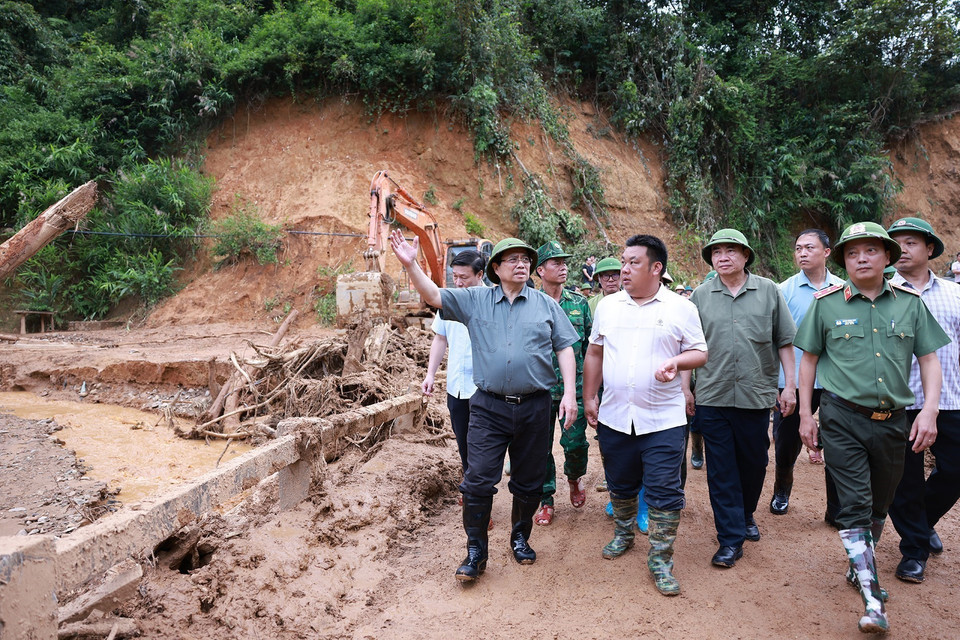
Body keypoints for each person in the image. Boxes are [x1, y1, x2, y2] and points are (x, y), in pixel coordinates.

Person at [389, 230, 579, 583]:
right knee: (477, 481)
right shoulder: (475, 299)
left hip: (535, 407)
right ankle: (475, 551)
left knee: (529, 482)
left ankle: (520, 537)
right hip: (489, 407)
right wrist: (412, 264)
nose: (522, 264)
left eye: (526, 260)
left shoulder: (545, 305)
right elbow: (433, 295)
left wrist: (569, 393)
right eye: (513, 259)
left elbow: (564, 347)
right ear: (496, 268)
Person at [796, 221, 947, 633]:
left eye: (870, 251)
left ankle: (859, 562)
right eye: (852, 253)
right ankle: (871, 598)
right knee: (856, 504)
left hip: (893, 421)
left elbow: (929, 359)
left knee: (881, 503)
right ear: (843, 261)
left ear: (887, 257)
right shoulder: (826, 304)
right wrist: (807, 414)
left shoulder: (910, 304)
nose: (861, 259)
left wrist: (930, 410)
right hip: (842, 417)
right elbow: (808, 360)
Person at [583, 234, 707, 596]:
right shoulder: (608, 307)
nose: (623, 269)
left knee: (664, 490)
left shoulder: (681, 308)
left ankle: (661, 559)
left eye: (633, 262)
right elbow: (595, 353)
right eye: (623, 261)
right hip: (615, 416)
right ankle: (623, 534)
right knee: (620, 483)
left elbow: (699, 352)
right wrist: (589, 396)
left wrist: (676, 362)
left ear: (656, 268)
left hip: (663, 419)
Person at [688, 229, 796, 568]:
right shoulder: (700, 296)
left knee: (754, 463)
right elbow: (688, 345)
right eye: (716, 252)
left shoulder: (768, 291)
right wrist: (685, 389)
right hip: (712, 395)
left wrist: (789, 386)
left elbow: (785, 341)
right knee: (721, 469)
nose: (723, 257)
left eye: (731, 250)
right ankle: (730, 539)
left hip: (755, 394)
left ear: (746, 255)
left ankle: (746, 513)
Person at [885, 218, 960, 584]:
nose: (903, 249)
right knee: (904, 481)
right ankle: (914, 550)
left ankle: (922, 521)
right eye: (896, 243)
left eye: (911, 242)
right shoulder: (881, 293)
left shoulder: (954, 294)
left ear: (930, 249)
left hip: (951, 399)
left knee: (955, 471)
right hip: (899, 400)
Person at [768, 230, 844, 517]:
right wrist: (779, 383)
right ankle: (781, 490)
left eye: (809, 247)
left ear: (826, 252)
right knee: (786, 442)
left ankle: (835, 508)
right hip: (794, 380)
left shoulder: (844, 288)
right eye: (798, 248)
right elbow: (776, 338)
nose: (802, 253)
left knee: (837, 443)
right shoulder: (783, 290)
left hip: (836, 380)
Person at [421, 250, 486, 515]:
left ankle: (478, 498)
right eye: (454, 277)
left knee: (482, 443)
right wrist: (430, 374)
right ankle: (472, 484)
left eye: (463, 277)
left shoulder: (493, 301)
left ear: (480, 275)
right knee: (463, 440)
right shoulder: (449, 301)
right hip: (457, 386)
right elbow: (440, 338)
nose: (457, 282)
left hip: (485, 388)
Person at [532, 241, 593, 526]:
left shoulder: (579, 303)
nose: (564, 267)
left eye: (564, 262)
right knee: (539, 449)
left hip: (574, 389)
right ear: (540, 270)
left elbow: (591, 350)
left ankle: (574, 477)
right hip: (538, 391)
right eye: (556, 262)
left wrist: (592, 392)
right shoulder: (529, 303)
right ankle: (546, 499)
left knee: (576, 444)